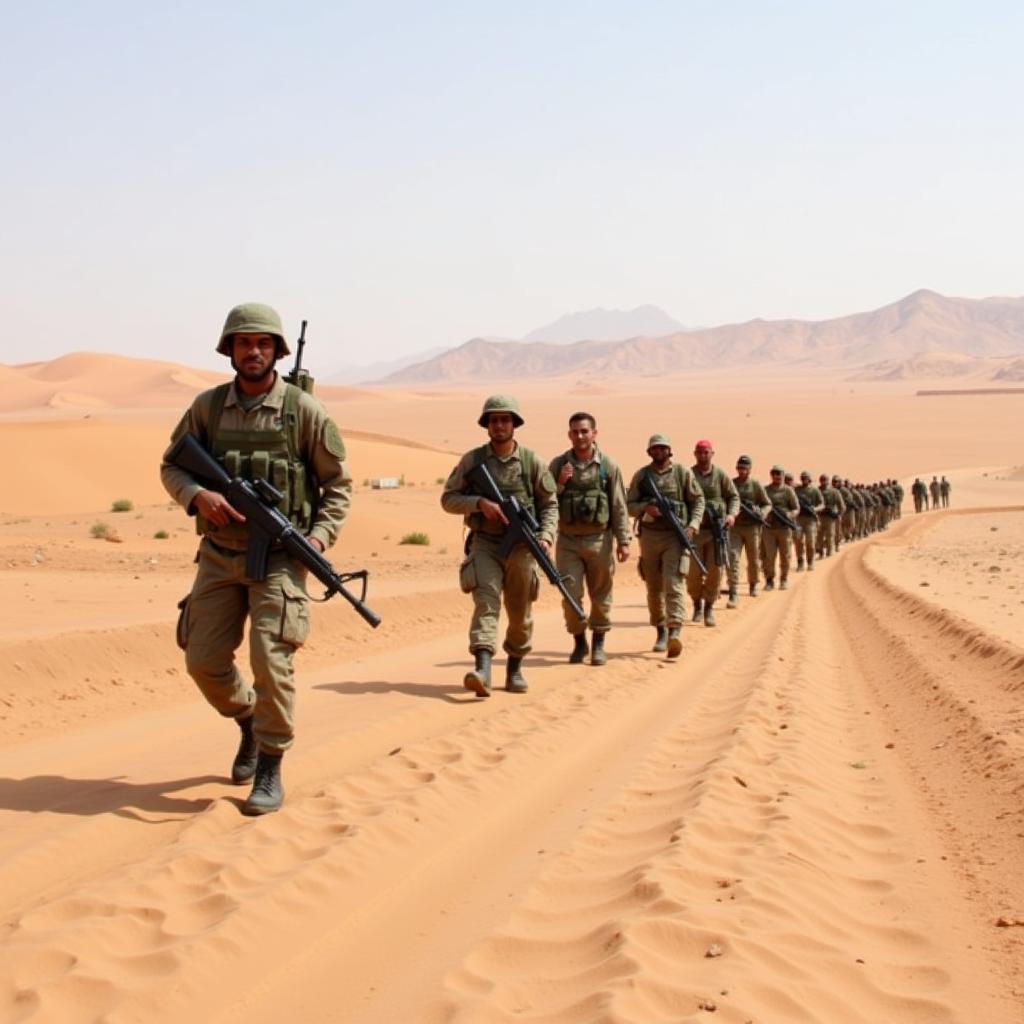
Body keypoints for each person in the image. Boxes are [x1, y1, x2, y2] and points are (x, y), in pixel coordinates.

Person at [160, 302, 352, 815]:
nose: (253, 351)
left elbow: (337, 487)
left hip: (282, 560)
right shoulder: (207, 408)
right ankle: (247, 719)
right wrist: (198, 497)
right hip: (220, 555)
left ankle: (270, 762)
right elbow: (172, 466)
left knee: (272, 659)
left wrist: (318, 539)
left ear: (277, 351)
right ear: (229, 350)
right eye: (244, 342)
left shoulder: (303, 412)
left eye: (263, 343)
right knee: (202, 661)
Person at [441, 395, 557, 697]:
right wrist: (479, 503)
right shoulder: (472, 460)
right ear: (487, 425)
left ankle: (515, 667)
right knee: (486, 603)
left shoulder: (532, 462)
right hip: (485, 544)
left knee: (520, 612)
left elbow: (549, 505)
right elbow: (448, 499)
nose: (500, 425)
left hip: (522, 549)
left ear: (514, 424)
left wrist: (546, 536)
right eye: (494, 420)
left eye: (505, 419)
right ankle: (482, 668)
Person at [548, 412, 631, 666]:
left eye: (584, 431)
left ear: (594, 433)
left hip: (600, 541)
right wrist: (560, 483)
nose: (579, 436)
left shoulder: (608, 466)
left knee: (601, 594)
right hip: (568, 542)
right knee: (570, 593)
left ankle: (598, 644)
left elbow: (618, 505)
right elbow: (546, 502)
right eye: (575, 431)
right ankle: (579, 641)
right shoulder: (559, 464)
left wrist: (623, 540)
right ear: (569, 434)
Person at [626, 434, 705, 658]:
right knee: (653, 587)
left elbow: (698, 500)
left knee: (674, 582)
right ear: (649, 452)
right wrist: (645, 509)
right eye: (655, 448)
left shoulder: (682, 473)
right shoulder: (642, 476)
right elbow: (628, 505)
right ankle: (660, 629)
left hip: (675, 536)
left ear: (670, 451)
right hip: (649, 537)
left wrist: (693, 525)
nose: (659, 451)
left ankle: (674, 632)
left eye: (663, 448)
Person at [687, 439, 739, 626]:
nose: (703, 456)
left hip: (716, 533)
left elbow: (733, 496)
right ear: (695, 454)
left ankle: (709, 607)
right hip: (695, 532)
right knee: (692, 573)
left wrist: (731, 515)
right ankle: (696, 605)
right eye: (700, 452)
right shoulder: (688, 474)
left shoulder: (720, 475)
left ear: (712, 454)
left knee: (715, 572)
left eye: (706, 452)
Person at [728, 455, 771, 605]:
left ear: (750, 469)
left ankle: (753, 584)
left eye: (745, 468)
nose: (742, 471)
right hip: (735, 528)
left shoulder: (755, 485)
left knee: (753, 558)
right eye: (739, 468)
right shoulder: (731, 484)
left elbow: (767, 504)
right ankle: (733, 591)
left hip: (752, 528)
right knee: (733, 557)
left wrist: (760, 512)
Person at [762, 465, 799, 590]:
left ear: (783, 475)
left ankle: (784, 579)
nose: (777, 476)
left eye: (779, 474)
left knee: (785, 555)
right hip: (769, 529)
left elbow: (796, 508)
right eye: (774, 474)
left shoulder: (788, 491)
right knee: (769, 556)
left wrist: (789, 514)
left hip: (784, 528)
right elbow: (759, 505)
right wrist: (764, 514)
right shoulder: (765, 490)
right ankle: (769, 580)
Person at [793, 470, 824, 571]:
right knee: (798, 541)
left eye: (805, 478)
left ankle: (810, 561)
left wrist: (814, 509)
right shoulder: (796, 490)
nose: (804, 480)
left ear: (809, 479)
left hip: (811, 519)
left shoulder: (815, 490)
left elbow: (822, 504)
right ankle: (800, 562)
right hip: (799, 518)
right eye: (802, 478)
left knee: (810, 542)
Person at [816, 473, 845, 558]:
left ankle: (829, 552)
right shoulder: (817, 491)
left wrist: (839, 514)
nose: (823, 481)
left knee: (830, 535)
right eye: (821, 479)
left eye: (824, 479)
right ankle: (821, 552)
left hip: (830, 517)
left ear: (828, 481)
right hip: (820, 516)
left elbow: (842, 505)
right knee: (819, 536)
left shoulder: (834, 491)